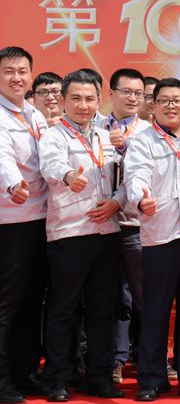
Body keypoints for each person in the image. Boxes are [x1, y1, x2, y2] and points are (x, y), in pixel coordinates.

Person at [124, 78, 180, 401]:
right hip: (160, 236)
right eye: (164, 100)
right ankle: (152, 379)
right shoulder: (142, 141)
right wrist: (141, 200)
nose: (171, 106)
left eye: (177, 100)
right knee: (156, 311)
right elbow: (135, 176)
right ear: (153, 105)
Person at [39, 70, 124, 402]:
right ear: (63, 100)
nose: (83, 105)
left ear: (99, 100)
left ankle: (99, 376)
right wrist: (68, 175)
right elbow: (51, 165)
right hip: (70, 233)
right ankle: (58, 377)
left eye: (90, 99)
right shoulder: (53, 136)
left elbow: (126, 178)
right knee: (64, 309)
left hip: (107, 232)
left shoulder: (107, 137)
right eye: (76, 98)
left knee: (103, 309)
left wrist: (117, 202)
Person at [0, 47, 49, 403]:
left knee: (33, 301)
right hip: (11, 220)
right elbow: (2, 156)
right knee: (7, 303)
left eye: (22, 71)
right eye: (8, 71)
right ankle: (2, 379)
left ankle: (25, 372)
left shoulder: (35, 113)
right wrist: (13, 183)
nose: (16, 78)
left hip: (41, 219)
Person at [100, 68, 152, 384]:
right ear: (112, 93)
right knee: (111, 297)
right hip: (98, 225)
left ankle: (152, 360)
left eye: (138, 93)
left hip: (135, 224)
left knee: (144, 297)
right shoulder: (94, 127)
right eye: (126, 91)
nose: (133, 98)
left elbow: (142, 176)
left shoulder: (149, 131)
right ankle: (115, 360)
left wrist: (118, 201)